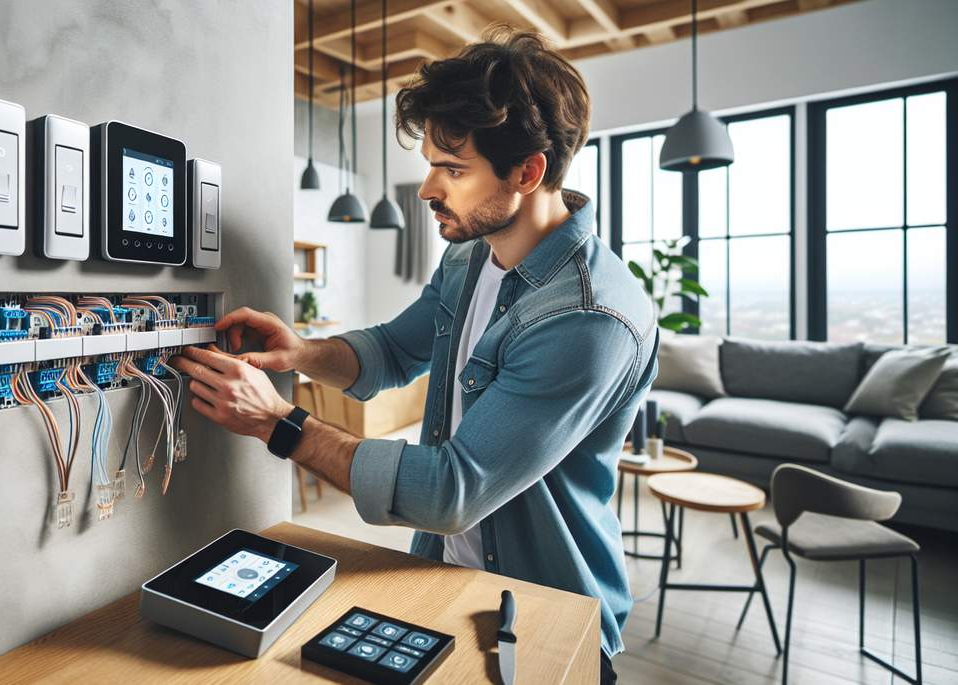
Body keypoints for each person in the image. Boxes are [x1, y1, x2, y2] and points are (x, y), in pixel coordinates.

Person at [170, 28, 657, 684]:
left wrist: (278, 424)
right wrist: (302, 351)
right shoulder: (469, 256)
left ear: (528, 172)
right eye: (431, 163)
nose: (427, 188)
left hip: (547, 615)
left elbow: (450, 490)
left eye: (453, 169)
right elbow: (395, 351)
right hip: (445, 579)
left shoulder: (588, 318)